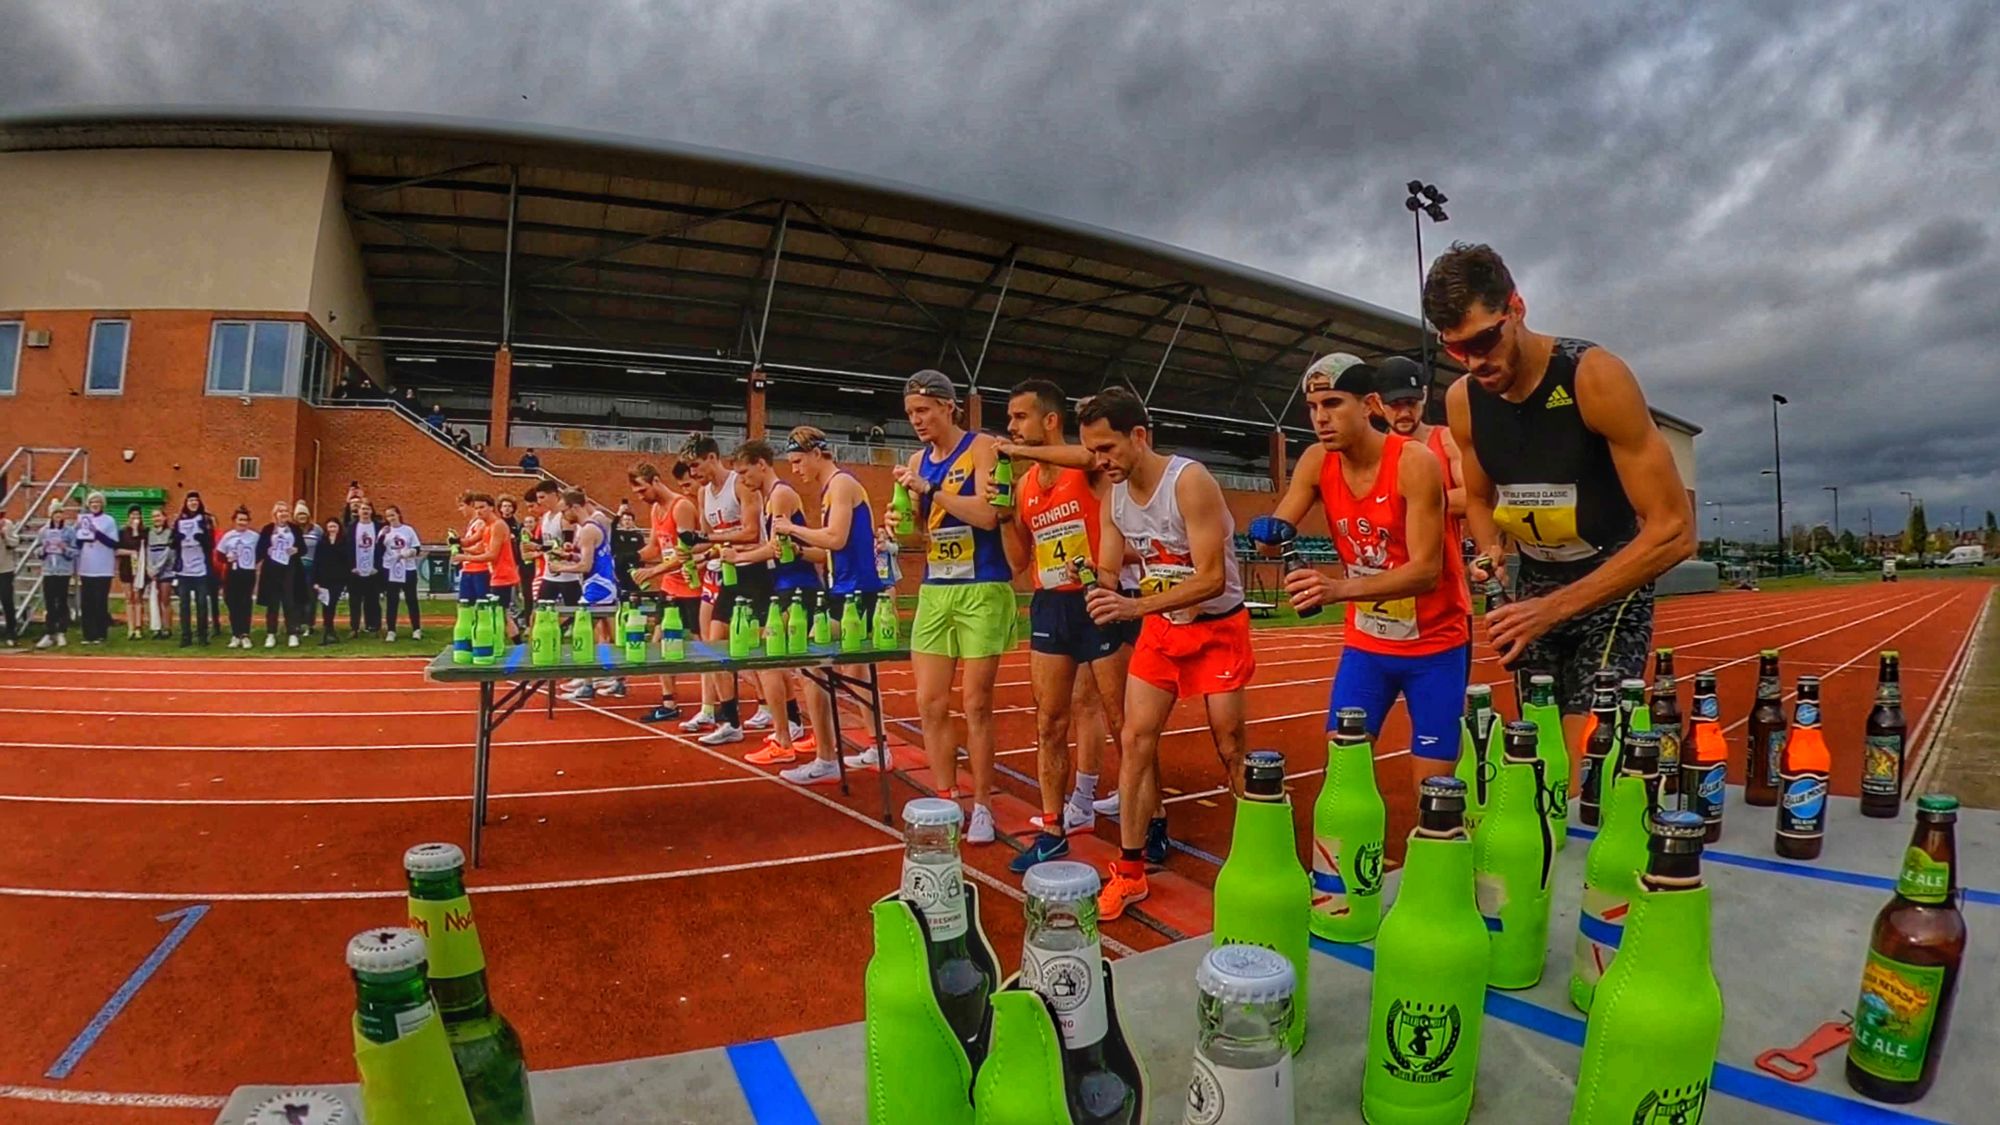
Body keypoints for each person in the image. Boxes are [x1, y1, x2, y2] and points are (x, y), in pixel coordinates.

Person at [1431, 243, 1695, 748]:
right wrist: (1490, 551)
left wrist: (1553, 609)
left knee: (1588, 756)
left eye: (1486, 339)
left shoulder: (1593, 376)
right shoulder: (1463, 401)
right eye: (1457, 349)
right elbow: (1481, 501)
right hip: (1533, 586)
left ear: (1516, 308)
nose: (1476, 361)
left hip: (1612, 583)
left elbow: (1675, 531)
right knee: (1540, 754)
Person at [1253, 354, 1469, 800]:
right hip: (1368, 647)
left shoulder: (1414, 462)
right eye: (1312, 407)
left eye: (1332, 403)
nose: (1320, 418)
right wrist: (1269, 535)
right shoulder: (1316, 462)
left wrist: (1337, 589)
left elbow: (1426, 572)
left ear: (1369, 404)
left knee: (1435, 794)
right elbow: (1275, 534)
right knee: (1343, 776)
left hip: (1435, 646)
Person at [1078, 387, 1254, 920]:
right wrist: (1091, 580)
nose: (1100, 461)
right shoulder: (1113, 495)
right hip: (1161, 627)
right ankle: (1129, 872)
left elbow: (1210, 577)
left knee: (1230, 745)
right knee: (1134, 739)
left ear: (1139, 436)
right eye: (1092, 451)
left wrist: (1133, 607)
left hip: (1218, 626)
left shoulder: (1189, 480)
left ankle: (1257, 853)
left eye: (1108, 448)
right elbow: (1109, 567)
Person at [993, 378, 1130, 872]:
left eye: (1020, 417)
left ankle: (1148, 822)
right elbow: (1016, 562)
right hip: (1051, 604)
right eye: (1008, 420)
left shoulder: (1089, 470)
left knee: (1122, 723)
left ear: (1050, 421)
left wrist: (1015, 451)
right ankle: (1053, 828)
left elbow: (1094, 460)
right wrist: (1008, 516)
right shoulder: (1027, 486)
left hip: (1098, 601)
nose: (1010, 427)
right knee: (1049, 721)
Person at [886, 369, 1016, 845]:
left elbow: (988, 514)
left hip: (982, 585)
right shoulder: (918, 459)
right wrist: (898, 524)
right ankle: (946, 798)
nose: (917, 421)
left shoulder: (982, 448)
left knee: (977, 703)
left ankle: (982, 803)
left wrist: (931, 490)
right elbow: (917, 537)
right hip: (936, 587)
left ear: (947, 407)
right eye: (910, 414)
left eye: (923, 410)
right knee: (929, 701)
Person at [771, 426, 887, 786]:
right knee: (858, 672)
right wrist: (797, 549)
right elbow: (832, 548)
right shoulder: (831, 489)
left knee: (811, 660)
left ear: (817, 453)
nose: (795, 469)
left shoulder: (840, 485)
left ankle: (825, 757)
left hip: (856, 592)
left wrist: (791, 527)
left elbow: (835, 538)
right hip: (848, 588)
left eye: (797, 461)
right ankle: (878, 746)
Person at [729, 439, 820, 765]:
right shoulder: (771, 497)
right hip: (787, 584)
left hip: (797, 585)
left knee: (772, 658)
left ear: (761, 464)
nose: (742, 481)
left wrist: (738, 556)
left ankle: (785, 737)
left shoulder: (780, 494)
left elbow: (775, 549)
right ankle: (798, 730)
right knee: (793, 663)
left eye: (744, 472)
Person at [679, 435, 765, 743]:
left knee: (761, 648)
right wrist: (692, 552)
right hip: (728, 572)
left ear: (712, 457)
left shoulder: (739, 484)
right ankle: (730, 721)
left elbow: (752, 531)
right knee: (714, 646)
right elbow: (708, 536)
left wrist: (710, 541)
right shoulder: (703, 494)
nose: (693, 473)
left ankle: (782, 712)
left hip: (754, 570)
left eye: (696, 464)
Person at [628, 460, 704, 724]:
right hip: (670, 587)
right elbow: (654, 548)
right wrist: (630, 557)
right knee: (659, 642)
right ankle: (669, 702)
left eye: (642, 490)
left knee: (704, 647)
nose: (640, 497)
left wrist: (652, 572)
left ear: (656, 481)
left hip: (692, 586)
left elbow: (686, 553)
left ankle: (715, 703)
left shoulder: (681, 506)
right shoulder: (656, 510)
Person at [550, 489, 624, 701]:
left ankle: (588, 682)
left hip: (598, 586)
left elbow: (586, 565)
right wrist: (567, 556)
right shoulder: (593, 525)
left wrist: (560, 566)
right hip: (602, 583)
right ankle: (614, 679)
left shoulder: (588, 530)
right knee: (607, 633)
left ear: (574, 507)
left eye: (564, 511)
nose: (564, 517)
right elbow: (588, 558)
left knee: (581, 631)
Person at [168, 493, 216, 647]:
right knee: (184, 605)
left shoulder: (206, 519)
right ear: (186, 502)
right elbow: (171, 542)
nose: (193, 503)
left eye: (195, 500)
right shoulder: (179, 519)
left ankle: (202, 636)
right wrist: (178, 539)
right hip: (184, 570)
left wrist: (202, 538)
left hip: (201, 569)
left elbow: (212, 543)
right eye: (190, 500)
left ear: (199, 502)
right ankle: (185, 636)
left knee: (202, 603)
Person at [73, 491, 119, 645]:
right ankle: (88, 634)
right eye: (92, 502)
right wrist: (79, 531)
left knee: (100, 601)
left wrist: (96, 533)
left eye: (97, 502)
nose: (95, 505)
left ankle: (101, 634)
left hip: (103, 567)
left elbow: (113, 543)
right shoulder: (84, 520)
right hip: (86, 566)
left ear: (102, 504)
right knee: (87, 602)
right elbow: (78, 544)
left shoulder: (109, 521)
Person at [256, 500, 302, 647]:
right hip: (272, 569)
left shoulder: (294, 529)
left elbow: (303, 548)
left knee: (290, 601)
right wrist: (266, 550)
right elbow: (260, 550)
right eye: (280, 511)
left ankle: (292, 633)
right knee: (273, 603)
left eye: (285, 511)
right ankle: (271, 634)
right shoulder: (268, 529)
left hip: (290, 569)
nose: (283, 514)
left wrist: (297, 550)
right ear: (275, 514)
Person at [217, 506, 261, 648]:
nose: (242, 522)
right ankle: (236, 634)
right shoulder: (228, 536)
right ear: (234, 520)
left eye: (245, 520)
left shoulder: (254, 537)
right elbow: (219, 554)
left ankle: (245, 634)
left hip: (247, 573)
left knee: (245, 603)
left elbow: (261, 552)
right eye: (239, 520)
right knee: (232, 603)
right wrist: (227, 559)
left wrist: (251, 561)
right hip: (232, 573)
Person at [34, 502, 75, 648]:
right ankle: (49, 632)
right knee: (50, 602)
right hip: (48, 570)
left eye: (60, 512)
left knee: (62, 601)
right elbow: (37, 551)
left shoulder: (69, 531)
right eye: (55, 513)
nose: (58, 516)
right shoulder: (43, 531)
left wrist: (65, 549)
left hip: (63, 571)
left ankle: (61, 631)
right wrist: (43, 549)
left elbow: (75, 552)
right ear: (50, 515)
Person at [381, 505, 423, 642]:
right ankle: (391, 630)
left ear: (398, 515)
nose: (391, 518)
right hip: (391, 569)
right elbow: (379, 548)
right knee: (392, 601)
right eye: (388, 516)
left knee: (411, 600)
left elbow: (417, 547)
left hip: (408, 569)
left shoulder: (408, 530)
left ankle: (416, 629)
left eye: (393, 515)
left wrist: (410, 552)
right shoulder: (385, 531)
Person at [347, 500, 386, 639]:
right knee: (355, 600)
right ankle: (354, 627)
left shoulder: (378, 527)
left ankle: (373, 626)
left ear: (371, 511)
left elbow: (383, 548)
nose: (365, 511)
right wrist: (351, 566)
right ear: (358, 512)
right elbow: (348, 548)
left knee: (373, 599)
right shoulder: (352, 527)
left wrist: (378, 566)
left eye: (368, 509)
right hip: (356, 570)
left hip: (373, 569)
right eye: (362, 509)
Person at [312, 518, 352, 644]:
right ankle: (328, 629)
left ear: (339, 528)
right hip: (324, 579)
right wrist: (315, 580)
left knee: (332, 603)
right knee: (326, 605)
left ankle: (330, 630)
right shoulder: (322, 543)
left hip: (339, 579)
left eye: (334, 527)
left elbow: (347, 560)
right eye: (330, 527)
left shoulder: (344, 542)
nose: (332, 529)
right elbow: (317, 562)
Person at [142, 508, 176, 638]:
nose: (156, 518)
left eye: (159, 516)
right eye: (154, 516)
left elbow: (168, 554)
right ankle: (157, 627)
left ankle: (167, 628)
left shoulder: (170, 533)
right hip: (153, 573)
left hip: (165, 572)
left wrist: (157, 569)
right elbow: (148, 552)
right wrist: (150, 569)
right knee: (154, 600)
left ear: (164, 517)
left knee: (165, 600)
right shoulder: (149, 534)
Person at [291, 501, 319, 639]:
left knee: (310, 598)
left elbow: (322, 548)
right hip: (295, 568)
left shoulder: (317, 530)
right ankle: (296, 624)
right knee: (295, 597)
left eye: (304, 514)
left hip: (311, 568)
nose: (302, 516)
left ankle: (309, 625)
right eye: (299, 514)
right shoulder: (291, 530)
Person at [117, 506, 145, 640]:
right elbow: (116, 551)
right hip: (126, 568)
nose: (135, 519)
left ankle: (139, 627)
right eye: (133, 516)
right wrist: (130, 553)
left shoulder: (144, 532)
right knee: (129, 598)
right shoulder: (122, 532)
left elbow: (143, 548)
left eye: (138, 516)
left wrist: (136, 531)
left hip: (139, 569)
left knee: (138, 597)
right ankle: (130, 627)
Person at [0, 511, 20, 646]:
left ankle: (11, 632)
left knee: (7, 600)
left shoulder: (7, 524)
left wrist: (4, 535)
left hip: (5, 569)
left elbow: (14, 542)